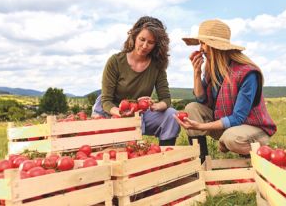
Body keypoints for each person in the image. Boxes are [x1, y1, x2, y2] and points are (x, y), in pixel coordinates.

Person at [175, 19, 276, 162]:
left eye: (203, 43)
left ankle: (262, 148)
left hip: (250, 126)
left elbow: (238, 118)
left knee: (232, 139)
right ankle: (201, 159)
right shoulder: (211, 69)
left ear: (214, 46)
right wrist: (196, 73)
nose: (201, 48)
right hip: (225, 124)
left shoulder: (247, 73)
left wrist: (201, 126)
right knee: (192, 108)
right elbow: (201, 99)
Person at [93, 16, 180, 146]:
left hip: (140, 113)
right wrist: (121, 113)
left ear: (156, 45)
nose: (145, 46)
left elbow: (166, 100)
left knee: (171, 115)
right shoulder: (115, 61)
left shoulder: (157, 65)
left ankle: (165, 158)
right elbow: (106, 101)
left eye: (150, 42)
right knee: (121, 150)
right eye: (142, 39)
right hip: (112, 111)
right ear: (134, 36)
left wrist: (154, 106)